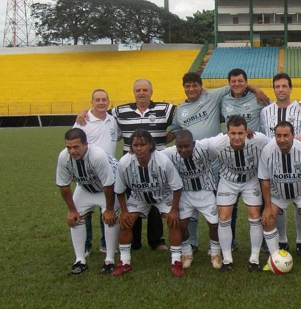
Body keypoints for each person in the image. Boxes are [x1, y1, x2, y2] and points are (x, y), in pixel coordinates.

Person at [170, 71, 268, 253]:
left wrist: (257, 89)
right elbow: (175, 131)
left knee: (243, 204)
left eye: (195, 85)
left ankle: (243, 243)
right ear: (183, 88)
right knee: (196, 202)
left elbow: (237, 86)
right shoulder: (180, 110)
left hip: (219, 160)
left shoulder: (213, 96)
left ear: (201, 86)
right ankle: (195, 242)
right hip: (194, 159)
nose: (191, 89)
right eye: (188, 86)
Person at [89, 78, 175, 252]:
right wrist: (84, 112)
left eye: (145, 90)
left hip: (157, 165)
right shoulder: (120, 111)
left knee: (155, 202)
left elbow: (183, 119)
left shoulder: (166, 109)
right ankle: (134, 242)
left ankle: (156, 241)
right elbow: (100, 112)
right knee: (132, 203)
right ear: (134, 92)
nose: (141, 93)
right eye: (138, 90)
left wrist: (165, 139)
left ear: (151, 92)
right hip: (130, 166)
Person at [112, 129, 184, 277]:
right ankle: (125, 262)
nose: (139, 148)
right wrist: (124, 212)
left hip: (163, 195)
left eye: (143, 145)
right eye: (135, 145)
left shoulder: (163, 161)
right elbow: (119, 190)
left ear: (150, 145)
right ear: (131, 146)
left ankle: (176, 261)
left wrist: (174, 210)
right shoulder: (124, 163)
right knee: (126, 223)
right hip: (139, 197)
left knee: (174, 222)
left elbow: (177, 187)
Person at [259, 72, 301, 255]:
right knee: (277, 203)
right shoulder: (265, 112)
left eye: (284, 86)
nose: (281, 89)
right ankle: (281, 240)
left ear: (290, 88)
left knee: (300, 205)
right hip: (274, 164)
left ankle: (300, 239)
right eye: (277, 86)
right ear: (273, 89)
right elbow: (264, 137)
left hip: (297, 162)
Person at [56, 128, 119, 275]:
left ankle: (109, 260)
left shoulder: (97, 155)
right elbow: (64, 186)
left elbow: (109, 185)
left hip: (107, 188)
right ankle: (80, 260)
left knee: (109, 219)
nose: (72, 151)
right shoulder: (63, 157)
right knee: (76, 219)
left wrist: (109, 210)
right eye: (69, 147)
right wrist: (72, 210)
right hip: (85, 188)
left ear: (86, 144)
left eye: (76, 147)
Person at [212, 115, 271, 272]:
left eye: (240, 133)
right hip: (227, 181)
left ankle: (254, 259)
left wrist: (300, 140)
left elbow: (276, 144)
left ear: (246, 132)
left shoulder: (259, 139)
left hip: (250, 180)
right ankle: (227, 260)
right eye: (233, 133)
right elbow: (198, 147)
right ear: (227, 133)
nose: (237, 137)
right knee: (224, 217)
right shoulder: (217, 143)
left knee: (254, 216)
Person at [258, 121, 301, 271]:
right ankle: (274, 258)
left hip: (300, 192)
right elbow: (264, 180)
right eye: (278, 135)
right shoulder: (267, 151)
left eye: (286, 135)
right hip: (278, 193)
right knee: (267, 219)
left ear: (293, 136)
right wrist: (267, 206)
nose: (282, 139)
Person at [162, 130, 222, 270]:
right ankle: (187, 253)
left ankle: (215, 253)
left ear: (193, 144)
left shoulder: (205, 147)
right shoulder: (169, 153)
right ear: (175, 145)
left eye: (187, 146)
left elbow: (223, 137)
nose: (183, 150)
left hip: (205, 191)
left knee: (214, 225)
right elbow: (153, 156)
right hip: (185, 194)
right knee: (181, 225)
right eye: (179, 147)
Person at [73, 88, 121, 256]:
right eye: (97, 100)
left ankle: (105, 245)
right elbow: (74, 143)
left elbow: (118, 137)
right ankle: (85, 246)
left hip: (108, 173)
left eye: (104, 100)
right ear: (91, 102)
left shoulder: (112, 120)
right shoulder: (83, 121)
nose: (101, 102)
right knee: (84, 211)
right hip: (86, 173)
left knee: (107, 208)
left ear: (108, 102)